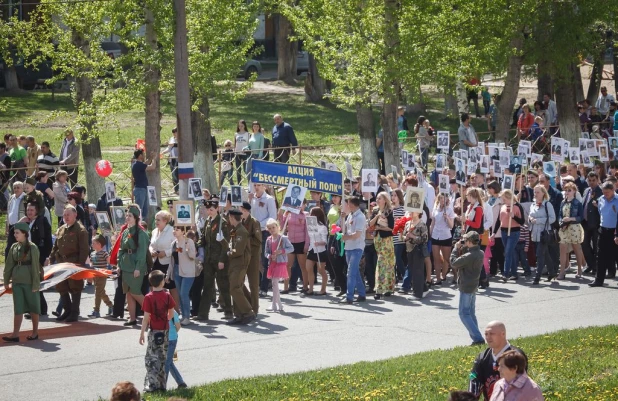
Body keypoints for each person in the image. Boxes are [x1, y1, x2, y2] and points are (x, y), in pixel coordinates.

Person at [48, 205, 89, 322]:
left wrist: (79, 266)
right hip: (61, 262)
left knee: (75, 287)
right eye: (64, 215)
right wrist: (51, 259)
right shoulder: (61, 229)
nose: (66, 217)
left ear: (75, 215)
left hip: (74, 263)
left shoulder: (80, 230)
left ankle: (74, 313)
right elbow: (55, 246)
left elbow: (84, 250)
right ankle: (67, 310)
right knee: (61, 287)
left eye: (68, 215)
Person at [2, 222, 41, 342]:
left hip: (29, 282)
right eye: (14, 232)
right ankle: (15, 334)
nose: (15, 235)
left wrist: (35, 284)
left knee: (33, 307)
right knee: (18, 307)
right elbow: (9, 264)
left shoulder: (32, 247)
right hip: (17, 281)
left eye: (17, 233)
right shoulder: (14, 246)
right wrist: (6, 280)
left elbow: (35, 267)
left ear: (24, 234)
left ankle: (35, 333)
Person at [195, 197, 233, 321]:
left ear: (217, 209)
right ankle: (203, 313)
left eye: (211, 209)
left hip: (219, 259)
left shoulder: (223, 222)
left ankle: (228, 311)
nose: (209, 211)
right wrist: (197, 244)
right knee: (207, 287)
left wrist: (222, 260)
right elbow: (204, 239)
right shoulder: (208, 221)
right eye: (208, 209)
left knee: (223, 285)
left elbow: (226, 244)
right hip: (209, 259)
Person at [469, 321, 528, 400]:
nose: (488, 337)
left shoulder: (516, 356)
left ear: (503, 334)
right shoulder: (482, 358)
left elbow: (521, 384)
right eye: (486, 334)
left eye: (491, 334)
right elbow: (474, 382)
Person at [139, 270, 176, 393]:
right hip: (165, 331)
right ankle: (161, 385)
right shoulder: (167, 295)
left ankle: (152, 385)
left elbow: (145, 318)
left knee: (151, 358)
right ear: (162, 282)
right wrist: (165, 320)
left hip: (154, 331)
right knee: (162, 357)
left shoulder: (148, 297)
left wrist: (142, 333)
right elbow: (171, 313)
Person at [118, 204, 151, 326]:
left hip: (136, 266)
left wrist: (138, 268)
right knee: (128, 292)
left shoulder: (141, 234)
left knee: (135, 292)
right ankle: (132, 318)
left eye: (130, 216)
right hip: (126, 265)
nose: (127, 218)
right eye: (126, 215)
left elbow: (142, 253)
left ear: (136, 217)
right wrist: (118, 264)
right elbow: (121, 249)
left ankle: (152, 316)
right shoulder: (126, 231)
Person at [450, 231, 484, 345]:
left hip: (466, 287)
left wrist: (455, 249)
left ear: (469, 242)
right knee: (471, 313)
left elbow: (454, 263)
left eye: (466, 241)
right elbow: (466, 257)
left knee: (463, 314)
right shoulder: (480, 253)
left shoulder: (469, 256)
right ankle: (477, 336)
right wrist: (464, 247)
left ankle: (478, 338)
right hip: (474, 285)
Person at [226, 208, 256, 324]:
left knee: (235, 288)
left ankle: (248, 312)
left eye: (230, 218)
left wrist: (228, 252)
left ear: (233, 218)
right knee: (237, 287)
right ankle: (239, 314)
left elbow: (237, 250)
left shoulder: (242, 231)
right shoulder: (235, 229)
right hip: (235, 263)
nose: (229, 219)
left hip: (240, 263)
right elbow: (231, 244)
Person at [250, 183, 277, 297]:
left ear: (264, 186)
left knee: (265, 260)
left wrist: (257, 224)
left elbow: (272, 217)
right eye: (255, 185)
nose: (256, 187)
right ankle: (258, 284)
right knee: (255, 260)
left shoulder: (269, 199)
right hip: (253, 232)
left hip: (264, 231)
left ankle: (264, 286)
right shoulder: (252, 199)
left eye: (259, 185)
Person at [589, 181, 618, 287]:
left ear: (613, 190)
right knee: (600, 256)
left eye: (608, 192)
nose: (605, 194)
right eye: (604, 192)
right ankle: (598, 280)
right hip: (603, 230)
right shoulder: (601, 199)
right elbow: (601, 214)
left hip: (615, 231)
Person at [492, 190, 524, 282]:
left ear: (509, 197)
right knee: (510, 252)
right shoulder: (502, 207)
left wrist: (514, 216)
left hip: (514, 232)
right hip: (504, 231)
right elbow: (499, 220)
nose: (502, 200)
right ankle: (514, 273)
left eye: (503, 198)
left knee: (507, 252)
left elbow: (522, 222)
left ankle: (505, 274)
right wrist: (494, 233)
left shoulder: (517, 206)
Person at [150, 210, 179, 311]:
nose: (156, 222)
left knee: (171, 286)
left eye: (158, 220)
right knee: (154, 285)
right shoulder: (154, 231)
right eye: (155, 219)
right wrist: (152, 251)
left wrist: (166, 252)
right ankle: (157, 308)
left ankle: (176, 310)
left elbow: (177, 247)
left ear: (165, 220)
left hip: (167, 262)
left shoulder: (172, 231)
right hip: (155, 262)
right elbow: (151, 245)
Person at [528, 185, 558, 285]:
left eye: (538, 192)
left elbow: (552, 218)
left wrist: (538, 221)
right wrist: (530, 220)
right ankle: (552, 273)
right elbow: (530, 216)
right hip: (535, 233)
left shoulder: (547, 204)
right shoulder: (533, 204)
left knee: (539, 254)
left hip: (544, 234)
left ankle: (537, 276)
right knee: (545, 254)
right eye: (534, 192)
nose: (535, 194)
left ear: (543, 193)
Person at [340, 196, 367, 304]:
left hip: (357, 247)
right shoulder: (350, 216)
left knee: (350, 273)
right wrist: (343, 218)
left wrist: (346, 237)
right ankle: (362, 293)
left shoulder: (360, 217)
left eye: (348, 203)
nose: (346, 205)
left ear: (352, 204)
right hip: (349, 247)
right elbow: (345, 229)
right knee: (354, 272)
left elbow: (357, 234)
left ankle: (349, 296)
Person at [168, 226, 197, 325]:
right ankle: (183, 315)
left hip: (188, 272)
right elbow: (171, 261)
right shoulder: (173, 243)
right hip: (176, 270)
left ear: (183, 231)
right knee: (180, 294)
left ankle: (187, 317)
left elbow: (193, 256)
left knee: (184, 293)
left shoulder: (189, 241)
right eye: (174, 229)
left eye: (177, 230)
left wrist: (188, 250)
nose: (174, 231)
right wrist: (168, 274)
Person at [264, 218, 294, 312]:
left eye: (273, 227)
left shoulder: (283, 238)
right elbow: (266, 252)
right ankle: (279, 305)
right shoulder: (268, 239)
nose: (272, 230)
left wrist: (281, 251)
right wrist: (269, 256)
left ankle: (274, 304)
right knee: (274, 284)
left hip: (280, 263)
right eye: (270, 228)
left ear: (277, 227)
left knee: (274, 283)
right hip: (272, 263)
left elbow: (291, 248)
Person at [557, 182, 585, 280]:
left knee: (577, 249)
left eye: (569, 190)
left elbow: (581, 217)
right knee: (562, 249)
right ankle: (562, 271)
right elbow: (560, 215)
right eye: (566, 190)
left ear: (574, 191)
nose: (567, 192)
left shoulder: (577, 203)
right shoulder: (563, 202)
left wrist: (570, 219)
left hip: (574, 227)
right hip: (564, 228)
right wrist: (561, 222)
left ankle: (579, 269)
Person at [278, 207, 309, 293]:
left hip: (301, 242)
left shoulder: (305, 215)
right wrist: (281, 211)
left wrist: (306, 244)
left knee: (303, 266)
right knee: (287, 265)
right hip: (290, 242)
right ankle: (285, 288)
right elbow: (282, 225)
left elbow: (307, 231)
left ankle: (305, 287)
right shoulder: (288, 213)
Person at [240, 201, 262, 314]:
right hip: (243, 256)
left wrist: (245, 240)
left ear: (245, 210)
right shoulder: (241, 222)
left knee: (253, 284)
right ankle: (248, 303)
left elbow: (258, 240)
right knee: (239, 282)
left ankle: (255, 309)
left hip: (252, 256)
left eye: (240, 210)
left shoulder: (254, 222)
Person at [430, 193, 456, 285]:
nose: (442, 201)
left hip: (445, 235)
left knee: (447, 258)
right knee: (436, 258)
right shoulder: (435, 208)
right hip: (436, 235)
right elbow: (433, 223)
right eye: (441, 199)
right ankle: (438, 278)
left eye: (444, 199)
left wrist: (447, 218)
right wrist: (430, 233)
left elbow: (451, 226)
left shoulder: (449, 210)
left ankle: (454, 275)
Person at [403, 210, 428, 298]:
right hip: (409, 249)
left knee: (418, 271)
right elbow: (403, 236)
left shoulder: (422, 224)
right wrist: (405, 237)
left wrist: (413, 237)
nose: (411, 212)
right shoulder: (408, 223)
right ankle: (424, 288)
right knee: (413, 270)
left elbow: (425, 239)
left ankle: (417, 293)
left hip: (418, 249)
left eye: (413, 211)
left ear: (418, 213)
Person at [87, 235, 113, 318]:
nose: (92, 245)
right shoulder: (92, 254)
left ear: (99, 244)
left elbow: (110, 262)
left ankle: (96, 310)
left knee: (98, 292)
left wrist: (113, 269)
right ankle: (111, 306)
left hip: (102, 276)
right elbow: (91, 264)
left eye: (93, 243)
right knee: (101, 292)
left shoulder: (104, 253)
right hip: (95, 276)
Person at [581, 172, 602, 275]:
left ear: (597, 180)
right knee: (584, 244)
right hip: (585, 223)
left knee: (596, 247)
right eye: (589, 180)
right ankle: (590, 264)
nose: (591, 182)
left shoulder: (601, 191)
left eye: (594, 180)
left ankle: (596, 267)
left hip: (596, 224)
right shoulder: (586, 190)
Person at [165, 310, 187, 390]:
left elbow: (178, 326)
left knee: (166, 362)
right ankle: (181, 383)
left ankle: (162, 386)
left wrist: (172, 334)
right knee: (169, 362)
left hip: (171, 340)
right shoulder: (172, 311)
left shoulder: (172, 312)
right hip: (171, 338)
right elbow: (177, 327)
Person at [132, 149, 156, 220]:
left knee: (144, 211)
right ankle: (138, 225)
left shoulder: (138, 164)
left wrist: (151, 158)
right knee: (139, 210)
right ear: (140, 156)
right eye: (143, 154)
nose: (145, 155)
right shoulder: (138, 165)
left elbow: (145, 164)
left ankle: (143, 226)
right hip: (140, 190)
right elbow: (152, 167)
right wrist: (154, 158)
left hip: (143, 189)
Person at [5, 181, 26, 258]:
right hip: (11, 226)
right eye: (14, 188)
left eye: (18, 188)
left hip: (20, 226)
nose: (16, 189)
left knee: (19, 246)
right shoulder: (11, 197)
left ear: (22, 188)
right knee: (9, 247)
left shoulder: (25, 198)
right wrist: (7, 225)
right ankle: (8, 265)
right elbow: (8, 212)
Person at [161, 127, 179, 193]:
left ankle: (179, 189)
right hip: (172, 159)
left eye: (175, 132)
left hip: (178, 159)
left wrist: (172, 144)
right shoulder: (172, 139)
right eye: (173, 133)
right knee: (173, 174)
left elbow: (179, 145)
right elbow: (169, 148)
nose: (174, 134)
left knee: (177, 174)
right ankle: (176, 189)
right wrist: (163, 152)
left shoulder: (181, 139)